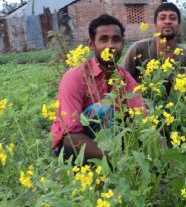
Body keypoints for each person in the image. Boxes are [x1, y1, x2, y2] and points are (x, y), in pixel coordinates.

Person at [51, 14, 145, 163]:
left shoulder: (125, 79)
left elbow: (142, 120)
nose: (110, 46)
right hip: (71, 145)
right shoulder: (75, 77)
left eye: (116, 40)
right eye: (103, 39)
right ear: (91, 44)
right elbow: (70, 137)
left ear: (123, 43)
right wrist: (118, 160)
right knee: (104, 110)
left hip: (109, 141)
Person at [121, 2, 186, 127]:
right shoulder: (139, 49)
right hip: (141, 110)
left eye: (172, 18)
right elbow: (121, 80)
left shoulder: (185, 55)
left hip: (171, 110)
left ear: (179, 26)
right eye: (162, 18)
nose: (167, 21)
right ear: (155, 25)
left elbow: (179, 92)